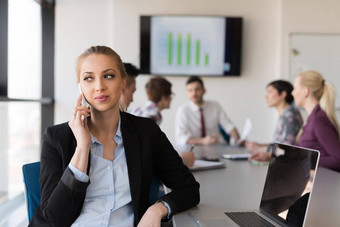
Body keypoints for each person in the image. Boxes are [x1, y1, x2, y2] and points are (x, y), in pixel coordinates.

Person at [29, 46, 199, 227]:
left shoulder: (146, 132)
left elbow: (188, 189)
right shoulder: (56, 138)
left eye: (108, 76)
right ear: (81, 86)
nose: (99, 86)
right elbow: (55, 219)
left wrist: (157, 209)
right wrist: (83, 146)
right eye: (88, 78)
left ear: (123, 82)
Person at [131, 76, 195, 167]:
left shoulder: (136, 110)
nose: (171, 98)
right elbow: (147, 154)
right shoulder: (153, 116)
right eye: (171, 95)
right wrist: (182, 160)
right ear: (164, 97)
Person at [292, 70, 340, 172]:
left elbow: (338, 160)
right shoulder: (312, 118)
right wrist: (270, 156)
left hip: (322, 184)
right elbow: (298, 150)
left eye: (295, 88)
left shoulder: (319, 120)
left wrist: (308, 160)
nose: (292, 93)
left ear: (306, 91)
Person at [175, 75, 240, 145]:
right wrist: (203, 141)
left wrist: (239, 139)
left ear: (204, 91)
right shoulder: (183, 110)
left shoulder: (215, 106)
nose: (194, 93)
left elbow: (228, 125)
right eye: (190, 90)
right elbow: (180, 138)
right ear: (186, 93)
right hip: (194, 148)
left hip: (216, 146)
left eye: (197, 89)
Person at [247, 80, 303, 161]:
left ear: (283, 94)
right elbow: (280, 143)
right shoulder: (285, 114)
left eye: (270, 92)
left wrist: (263, 152)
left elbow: (287, 149)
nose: (266, 96)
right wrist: (259, 146)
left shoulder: (290, 116)